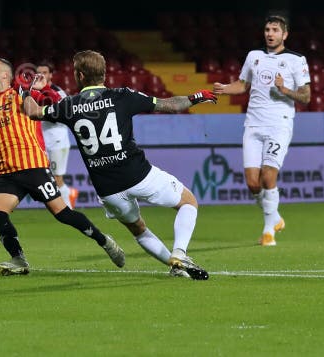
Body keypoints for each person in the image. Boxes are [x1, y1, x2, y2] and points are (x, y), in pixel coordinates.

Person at [0, 57, 125, 276]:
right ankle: (18, 259)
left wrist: (44, 88)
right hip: (8, 174)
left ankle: (104, 241)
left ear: (5, 75)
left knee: (62, 213)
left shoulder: (22, 95)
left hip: (34, 168)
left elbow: (55, 103)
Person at [22, 50, 216, 280]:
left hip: (107, 188)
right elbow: (170, 105)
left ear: (80, 76)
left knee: (138, 229)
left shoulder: (68, 106)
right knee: (188, 202)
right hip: (138, 174)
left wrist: (29, 90)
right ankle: (180, 254)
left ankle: (174, 266)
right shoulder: (123, 95)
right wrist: (196, 97)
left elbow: (32, 112)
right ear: (103, 73)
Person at [213, 14, 311, 246]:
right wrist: (225, 89)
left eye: (275, 30)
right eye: (267, 29)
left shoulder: (296, 60)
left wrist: (284, 90)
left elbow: (306, 96)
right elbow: (243, 85)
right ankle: (274, 216)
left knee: (268, 177)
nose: (270, 33)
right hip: (253, 124)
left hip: (279, 124)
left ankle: (269, 232)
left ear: (284, 34)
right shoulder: (253, 56)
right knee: (252, 182)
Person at [35, 61, 78, 207]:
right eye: (38, 72)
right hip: (43, 140)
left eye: (44, 72)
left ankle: (68, 207)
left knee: (56, 177)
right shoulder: (34, 91)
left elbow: (62, 114)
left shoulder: (58, 92)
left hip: (57, 140)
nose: (41, 75)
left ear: (51, 75)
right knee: (49, 177)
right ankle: (66, 197)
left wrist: (38, 113)